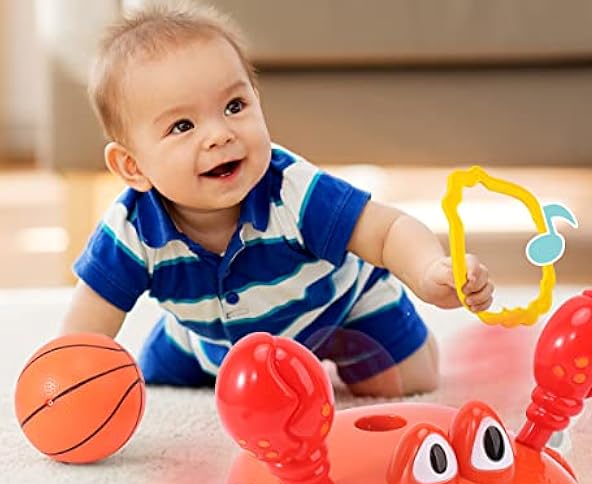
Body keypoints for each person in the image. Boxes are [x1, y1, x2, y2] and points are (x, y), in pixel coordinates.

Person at [60, 2, 494, 397]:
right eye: (182, 126)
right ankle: (188, 338)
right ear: (132, 166)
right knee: (157, 379)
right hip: (211, 338)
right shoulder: (131, 229)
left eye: (234, 106)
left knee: (407, 383)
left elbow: (387, 230)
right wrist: (65, 384)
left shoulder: (292, 190)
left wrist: (428, 270)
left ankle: (389, 323)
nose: (220, 134)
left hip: (338, 311)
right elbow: (85, 328)